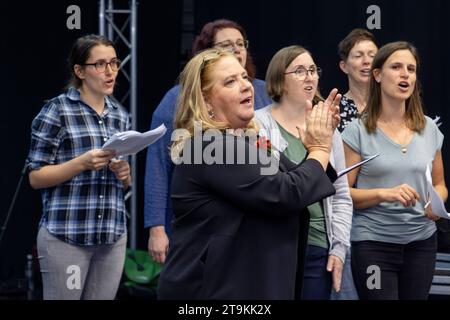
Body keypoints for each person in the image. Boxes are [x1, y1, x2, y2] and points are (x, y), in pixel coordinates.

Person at [157, 49, 342, 299]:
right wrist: (320, 148)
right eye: (230, 82)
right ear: (206, 100)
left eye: (244, 77)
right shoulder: (208, 145)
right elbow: (285, 192)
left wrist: (314, 142)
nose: (246, 86)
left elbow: (290, 177)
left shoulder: (253, 139)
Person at [144, 19, 272, 264]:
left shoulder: (262, 92)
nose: (236, 50)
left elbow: (270, 159)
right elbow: (158, 166)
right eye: (226, 45)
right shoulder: (176, 99)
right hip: (202, 232)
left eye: (240, 43)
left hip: (252, 231)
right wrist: (156, 228)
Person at [27, 34, 131, 300]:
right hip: (67, 234)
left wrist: (124, 174)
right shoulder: (57, 110)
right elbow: (36, 177)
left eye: (114, 63)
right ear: (79, 71)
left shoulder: (120, 114)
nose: (110, 72)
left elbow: (124, 180)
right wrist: (80, 163)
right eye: (100, 64)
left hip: (111, 234)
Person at [341, 41, 447, 300]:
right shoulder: (357, 131)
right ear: (378, 75)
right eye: (397, 67)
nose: (405, 75)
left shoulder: (429, 129)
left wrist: (437, 203)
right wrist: (384, 194)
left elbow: (440, 183)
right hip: (373, 244)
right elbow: (342, 193)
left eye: (411, 69)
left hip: (421, 243)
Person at [255, 45, 352, 300]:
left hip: (318, 246)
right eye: (299, 71)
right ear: (279, 80)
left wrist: (339, 249)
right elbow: (270, 186)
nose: (310, 76)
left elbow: (341, 194)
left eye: (312, 70)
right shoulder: (257, 125)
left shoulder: (328, 128)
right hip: (275, 247)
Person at [337, 28, 378, 132]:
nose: (367, 61)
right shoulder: (334, 110)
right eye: (358, 56)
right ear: (344, 66)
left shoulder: (390, 106)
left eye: (372, 56)